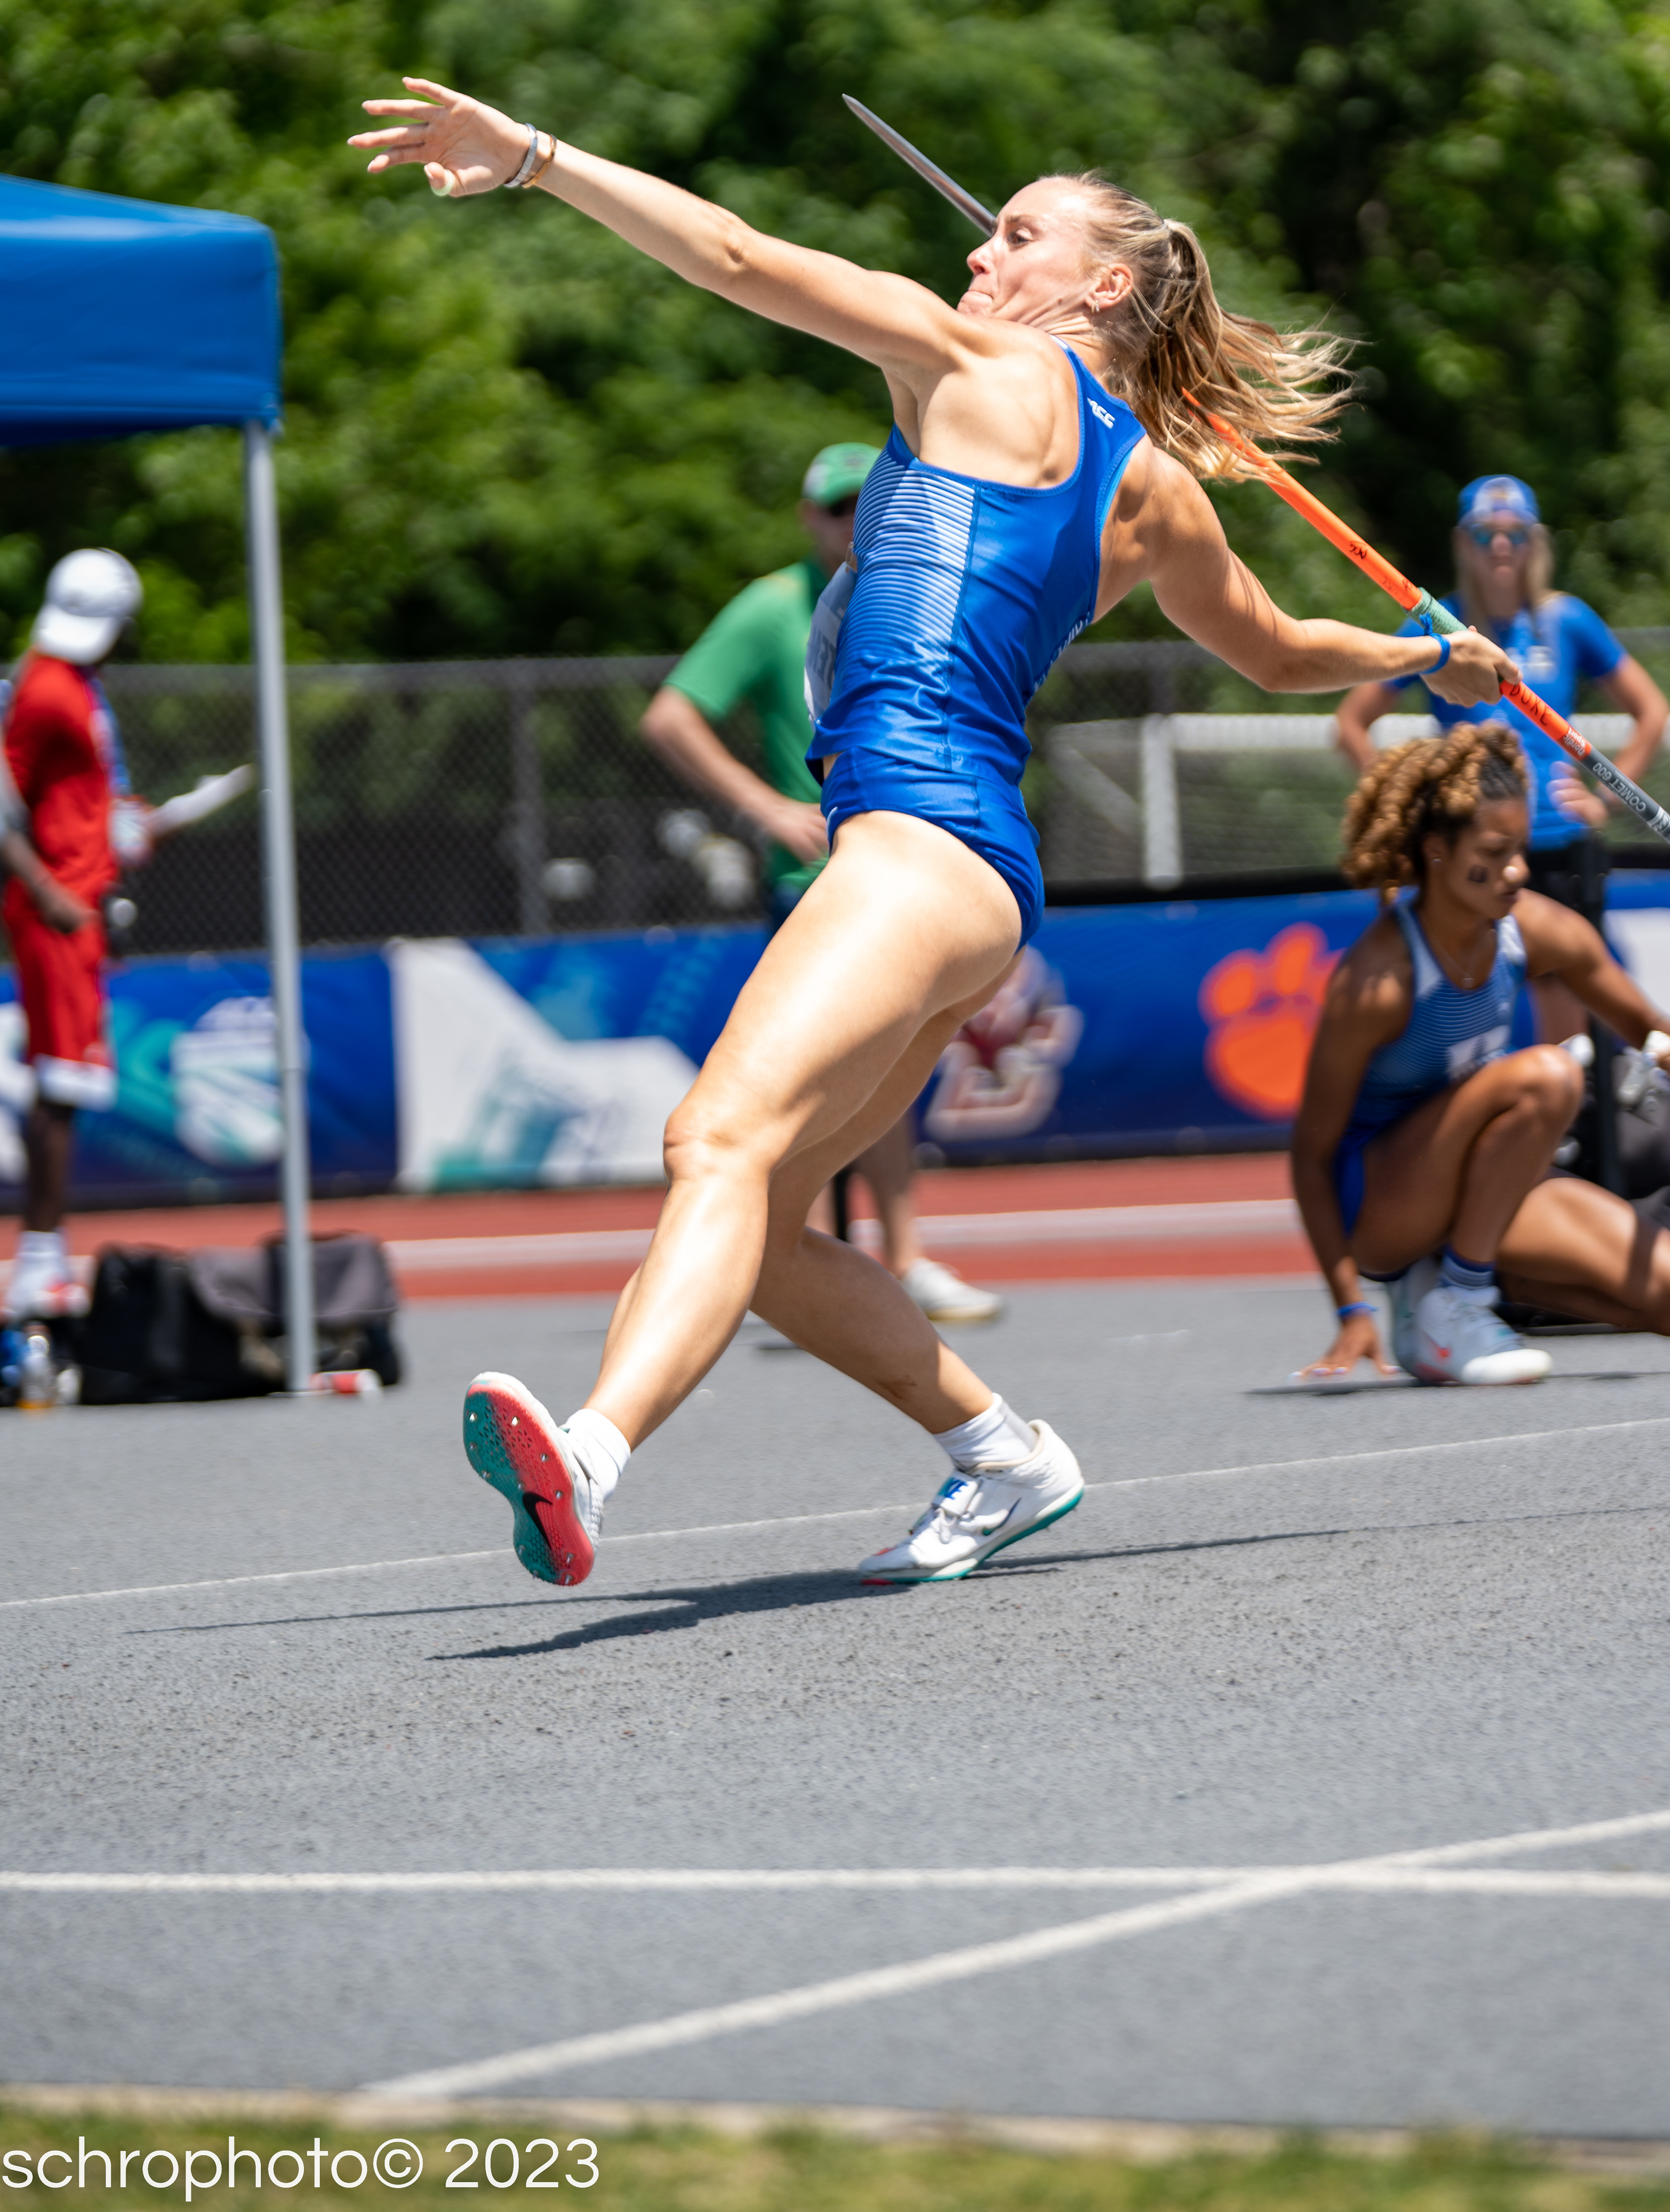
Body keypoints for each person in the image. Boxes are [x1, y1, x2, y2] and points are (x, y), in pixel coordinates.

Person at [350, 79, 1508, 1588]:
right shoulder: (1150, 485)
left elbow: (739, 260)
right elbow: (1281, 651)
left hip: (909, 839)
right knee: (754, 1216)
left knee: (713, 1140)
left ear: (1098, 283)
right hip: (971, 871)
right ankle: (1002, 1457)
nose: (976, 260)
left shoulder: (971, 366)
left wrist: (535, 161)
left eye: (1013, 236)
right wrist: (1422, 656)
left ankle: (588, 1455)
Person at [641, 440, 1002, 1325]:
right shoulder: (774, 609)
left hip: (911, 868)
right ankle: (781, 1256)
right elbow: (671, 714)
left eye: (863, 506)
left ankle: (857, 1259)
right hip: (821, 876)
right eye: (836, 509)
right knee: (803, 1090)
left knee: (882, 1080)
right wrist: (767, 808)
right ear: (808, 517)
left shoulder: (917, 587)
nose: (850, 524)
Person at [1291, 725, 1670, 1388]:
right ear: (1437, 853)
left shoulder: (1533, 928)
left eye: (1520, 849)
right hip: (1385, 1211)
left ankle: (1459, 1290)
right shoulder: (1377, 980)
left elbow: (1652, 1030)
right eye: (1495, 853)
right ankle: (1457, 1300)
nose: (1518, 870)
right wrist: (1349, 1305)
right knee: (1548, 1074)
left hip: (1483, 1186)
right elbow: (1311, 1158)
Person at [1335, 475, 1670, 1048]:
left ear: (1534, 543)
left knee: (1567, 1013)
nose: (1500, 546)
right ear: (1463, 543)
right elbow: (1350, 723)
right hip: (1470, 847)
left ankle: (1567, 1125)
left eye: (1515, 534)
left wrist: (1604, 801)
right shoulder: (1438, 625)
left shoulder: (1565, 621)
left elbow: (1653, 713)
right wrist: (1404, 807)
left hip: (1555, 842)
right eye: (1485, 533)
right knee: (1456, 997)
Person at [2, 550, 144, 1321]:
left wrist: (123, 836)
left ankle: (46, 1259)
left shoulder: (76, 688)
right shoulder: (48, 688)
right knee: (60, 1087)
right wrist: (48, 889)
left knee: (69, 1089)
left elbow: (81, 800)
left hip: (81, 906)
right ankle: (37, 1266)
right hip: (58, 910)